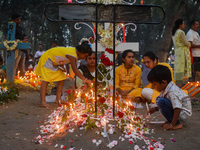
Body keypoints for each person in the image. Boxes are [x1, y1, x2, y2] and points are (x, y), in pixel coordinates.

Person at [35, 42, 92, 107]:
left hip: (54, 61)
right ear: (81, 52)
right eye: (85, 56)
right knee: (46, 80)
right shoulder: (72, 54)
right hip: (48, 58)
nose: (84, 58)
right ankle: (43, 102)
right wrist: (85, 79)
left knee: (61, 78)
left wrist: (61, 65)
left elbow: (60, 55)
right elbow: (75, 69)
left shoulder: (73, 53)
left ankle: (58, 99)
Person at [147, 65, 192, 130]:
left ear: (163, 82)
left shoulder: (172, 92)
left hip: (182, 114)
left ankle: (176, 124)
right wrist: (154, 109)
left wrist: (172, 125)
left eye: (154, 84)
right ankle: (173, 121)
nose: (153, 87)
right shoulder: (165, 89)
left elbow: (177, 108)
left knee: (161, 101)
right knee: (159, 99)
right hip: (179, 112)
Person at [172, 19, 192, 83]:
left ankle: (178, 81)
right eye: (183, 23)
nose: (184, 25)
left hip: (177, 51)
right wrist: (189, 44)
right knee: (183, 66)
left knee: (178, 66)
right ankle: (183, 82)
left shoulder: (174, 32)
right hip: (182, 51)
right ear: (180, 25)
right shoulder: (181, 32)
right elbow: (186, 43)